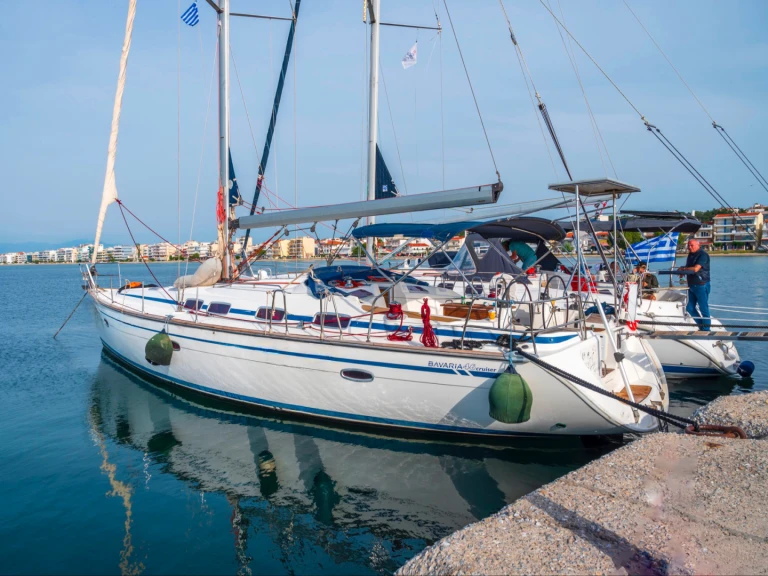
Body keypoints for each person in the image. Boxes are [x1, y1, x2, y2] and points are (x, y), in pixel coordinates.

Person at [678, 238, 711, 330]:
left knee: (703, 308)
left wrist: (684, 269)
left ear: (698, 245)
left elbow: (696, 269)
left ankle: (706, 330)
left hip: (701, 284)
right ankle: (702, 327)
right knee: (689, 308)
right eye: (688, 245)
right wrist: (682, 269)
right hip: (691, 285)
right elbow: (689, 267)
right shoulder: (690, 254)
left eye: (691, 245)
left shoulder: (703, 255)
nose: (689, 247)